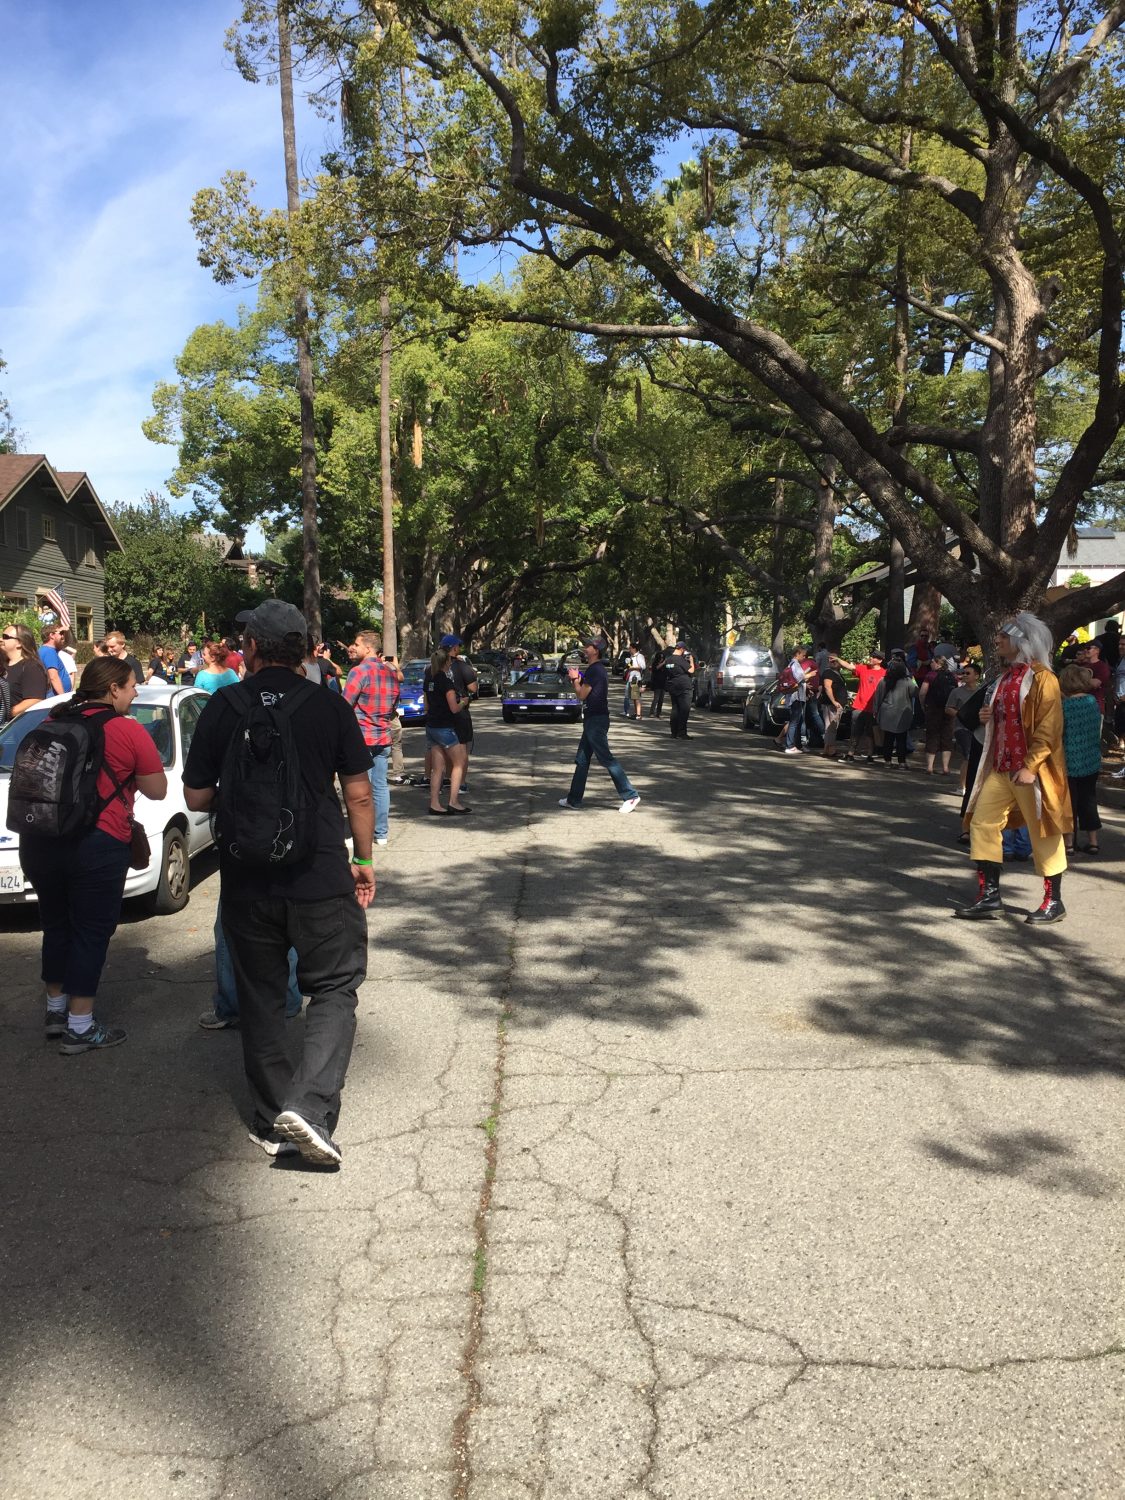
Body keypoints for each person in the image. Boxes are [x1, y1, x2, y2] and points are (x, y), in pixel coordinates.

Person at [183, 599, 375, 1165]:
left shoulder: (223, 705)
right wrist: (364, 859)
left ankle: (272, 1121)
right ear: (306, 650)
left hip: (247, 878)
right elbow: (359, 794)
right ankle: (310, 1107)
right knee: (334, 986)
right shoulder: (329, 705)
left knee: (261, 998)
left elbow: (196, 795)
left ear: (251, 648)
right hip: (319, 874)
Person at [18, 656, 168, 1052]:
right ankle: (80, 1025)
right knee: (90, 932)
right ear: (113, 689)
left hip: (40, 839)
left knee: (55, 924)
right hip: (98, 842)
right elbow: (157, 791)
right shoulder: (127, 729)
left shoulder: (51, 722)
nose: (135, 693)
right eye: (131, 686)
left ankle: (55, 1011)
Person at [957, 613, 1071, 925]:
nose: (997, 640)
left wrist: (1032, 766)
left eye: (1004, 636)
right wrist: (986, 718)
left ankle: (1054, 901)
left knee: (1043, 831)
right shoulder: (1005, 678)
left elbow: (1049, 727)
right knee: (981, 823)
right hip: (1001, 767)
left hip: (1030, 771)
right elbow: (1003, 721)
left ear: (1023, 641)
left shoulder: (1044, 679)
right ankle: (989, 897)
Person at [558, 638, 640, 812]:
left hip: (596, 720)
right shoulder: (596, 669)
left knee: (606, 758)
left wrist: (575, 679)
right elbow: (588, 691)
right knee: (582, 760)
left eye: (588, 646)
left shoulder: (595, 669)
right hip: (592, 718)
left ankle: (630, 795)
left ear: (596, 651)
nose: (585, 648)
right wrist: (578, 679)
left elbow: (581, 695)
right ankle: (574, 799)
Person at [344, 629, 399, 846]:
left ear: (368, 648)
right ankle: (381, 833)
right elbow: (394, 705)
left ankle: (360, 834)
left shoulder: (358, 672)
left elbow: (344, 705)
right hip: (383, 736)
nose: (353, 647)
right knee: (380, 787)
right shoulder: (391, 672)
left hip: (361, 737)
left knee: (360, 791)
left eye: (357, 644)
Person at [1059, 663, 1103, 856]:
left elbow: (1059, 732)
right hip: (1091, 758)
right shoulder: (1092, 702)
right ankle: (1093, 842)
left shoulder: (1065, 706)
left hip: (1069, 760)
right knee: (1089, 800)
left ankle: (1069, 843)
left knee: (1068, 803)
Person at [423, 646, 471, 815]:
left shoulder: (429, 680)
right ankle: (453, 801)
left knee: (437, 768)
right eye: (450, 660)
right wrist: (463, 701)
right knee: (459, 763)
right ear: (446, 662)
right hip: (445, 727)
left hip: (431, 726)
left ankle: (434, 803)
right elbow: (454, 708)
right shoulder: (446, 682)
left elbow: (426, 705)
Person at [837, 649, 885, 762]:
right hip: (859, 706)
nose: (871, 658)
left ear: (880, 660)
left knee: (870, 732)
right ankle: (850, 754)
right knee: (855, 731)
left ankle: (870, 755)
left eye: (874, 657)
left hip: (873, 708)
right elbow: (849, 666)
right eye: (871, 656)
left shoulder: (884, 673)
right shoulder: (863, 668)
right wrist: (838, 659)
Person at [443, 635, 478, 788]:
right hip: (459, 710)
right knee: (462, 748)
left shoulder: (433, 667)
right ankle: (461, 783)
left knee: (444, 748)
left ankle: (447, 778)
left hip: (440, 713)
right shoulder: (461, 666)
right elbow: (473, 688)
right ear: (455, 648)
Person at [873, 657, 917, 767]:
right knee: (901, 738)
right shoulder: (907, 681)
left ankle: (887, 761)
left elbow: (878, 697)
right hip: (902, 713)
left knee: (888, 738)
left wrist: (875, 711)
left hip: (887, 712)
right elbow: (915, 692)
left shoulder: (883, 681)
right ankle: (902, 762)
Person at [920, 657, 957, 773]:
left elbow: (922, 692)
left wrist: (923, 705)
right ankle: (945, 767)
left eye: (932, 662)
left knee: (932, 735)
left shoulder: (930, 675)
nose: (930, 664)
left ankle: (930, 767)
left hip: (933, 709)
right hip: (948, 709)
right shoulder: (952, 676)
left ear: (937, 663)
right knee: (947, 736)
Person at [2, 624, 50, 715]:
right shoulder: (3, 665)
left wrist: (6, 714)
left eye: (5, 637)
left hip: (15, 722)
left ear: (20, 643)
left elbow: (34, 700)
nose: (1, 639)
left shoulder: (31, 667)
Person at [776, 644, 809, 755]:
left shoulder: (792, 664)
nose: (804, 657)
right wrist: (808, 675)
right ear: (797, 654)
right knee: (794, 722)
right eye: (803, 655)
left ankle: (796, 744)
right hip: (796, 697)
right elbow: (798, 678)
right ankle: (790, 745)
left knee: (797, 721)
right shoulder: (795, 664)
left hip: (796, 696)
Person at [819, 656, 850, 759]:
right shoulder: (828, 672)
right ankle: (831, 750)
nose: (833, 662)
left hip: (836, 704)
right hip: (831, 705)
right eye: (831, 660)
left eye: (835, 660)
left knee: (831, 727)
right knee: (831, 727)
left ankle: (826, 749)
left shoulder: (837, 673)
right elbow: (827, 687)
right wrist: (834, 701)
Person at [664, 640, 696, 739]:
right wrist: (691, 661)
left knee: (675, 709)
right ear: (682, 649)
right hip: (684, 686)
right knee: (684, 710)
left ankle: (674, 732)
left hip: (673, 685)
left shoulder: (668, 659)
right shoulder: (680, 659)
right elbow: (691, 670)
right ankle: (681, 733)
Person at [39, 623, 72, 696]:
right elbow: (53, 677)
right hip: (56, 698)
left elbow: (66, 643)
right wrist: (63, 698)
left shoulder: (47, 650)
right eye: (61, 633)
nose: (63, 636)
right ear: (52, 635)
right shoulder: (49, 651)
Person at [623, 642, 645, 720]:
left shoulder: (639, 656)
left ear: (634, 648)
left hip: (636, 678)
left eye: (630, 648)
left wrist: (632, 668)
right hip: (631, 678)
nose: (629, 650)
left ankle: (638, 715)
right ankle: (636, 713)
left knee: (636, 697)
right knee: (634, 697)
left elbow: (643, 666)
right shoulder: (631, 657)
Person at [650, 649, 668, 718]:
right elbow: (655, 668)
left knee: (661, 700)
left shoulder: (665, 665)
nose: (661, 659)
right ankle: (652, 712)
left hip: (663, 683)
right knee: (656, 699)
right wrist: (662, 663)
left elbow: (669, 670)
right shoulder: (655, 664)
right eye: (660, 657)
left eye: (663, 658)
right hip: (657, 684)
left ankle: (658, 713)